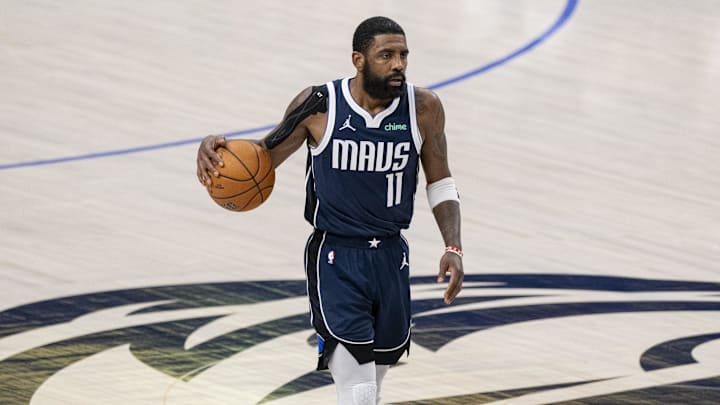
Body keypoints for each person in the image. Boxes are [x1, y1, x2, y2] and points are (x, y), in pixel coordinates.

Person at [196, 16, 464, 405]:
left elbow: (440, 180)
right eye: (386, 55)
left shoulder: (423, 108)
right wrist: (214, 151)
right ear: (358, 59)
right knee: (357, 388)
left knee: (372, 382)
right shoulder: (319, 105)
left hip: (391, 256)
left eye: (403, 55)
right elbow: (260, 158)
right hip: (336, 258)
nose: (398, 64)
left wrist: (452, 246)